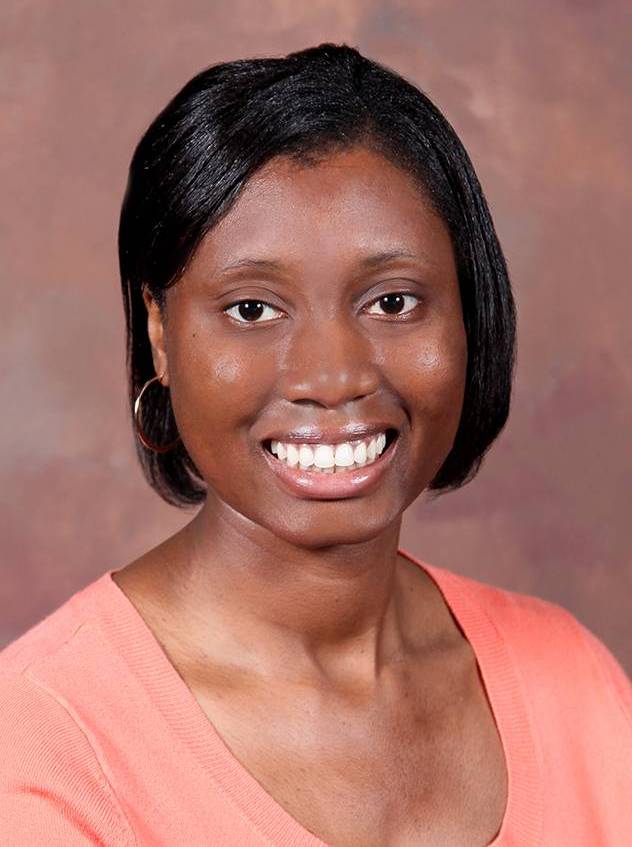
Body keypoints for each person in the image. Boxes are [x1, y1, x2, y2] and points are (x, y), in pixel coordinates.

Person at [1, 42, 630, 847]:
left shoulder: (575, 687)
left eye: (393, 301)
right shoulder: (44, 745)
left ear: (469, 314)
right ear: (160, 332)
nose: (333, 377)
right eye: (252, 309)